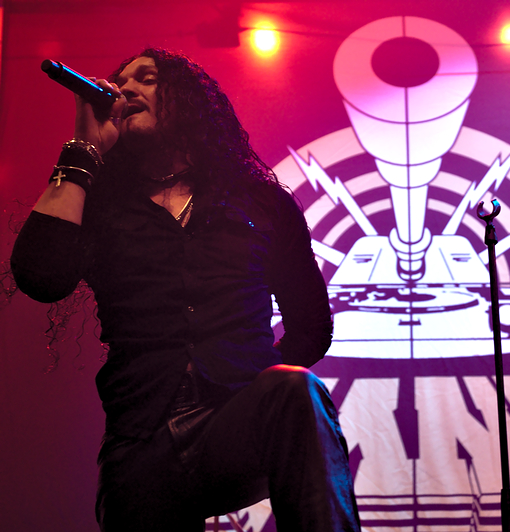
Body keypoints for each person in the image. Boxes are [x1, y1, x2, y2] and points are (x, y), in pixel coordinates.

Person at [10, 48, 360, 531]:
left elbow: (312, 326)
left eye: (147, 78)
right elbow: (40, 276)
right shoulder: (101, 202)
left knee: (296, 390)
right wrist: (83, 149)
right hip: (141, 441)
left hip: (235, 421)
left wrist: (252, 378)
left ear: (189, 99)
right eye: (120, 81)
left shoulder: (259, 201)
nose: (126, 88)